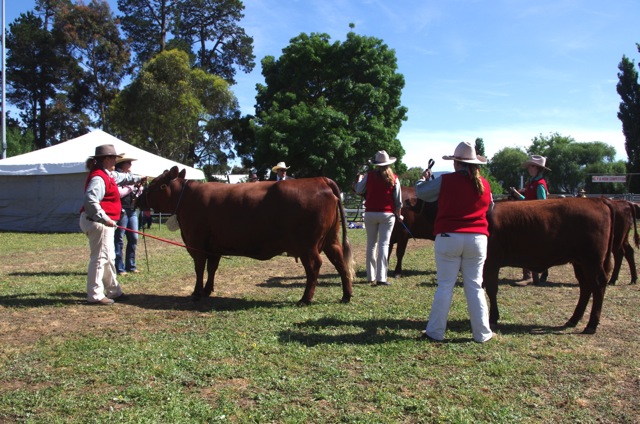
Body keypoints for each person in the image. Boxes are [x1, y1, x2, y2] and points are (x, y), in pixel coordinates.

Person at [414, 141, 493, 343]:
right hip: (477, 238)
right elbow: (489, 208)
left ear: (456, 163)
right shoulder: (485, 184)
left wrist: (422, 180)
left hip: (449, 237)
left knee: (445, 286)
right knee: (475, 286)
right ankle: (482, 333)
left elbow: (422, 192)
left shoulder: (446, 181)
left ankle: (435, 331)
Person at [79, 144, 144, 305]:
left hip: (103, 222)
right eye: (114, 157)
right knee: (100, 258)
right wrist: (103, 217)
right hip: (97, 222)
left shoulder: (107, 175)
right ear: (106, 159)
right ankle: (94, 295)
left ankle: (114, 291)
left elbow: (121, 178)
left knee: (109, 257)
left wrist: (138, 178)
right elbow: (90, 200)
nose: (116, 160)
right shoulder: (98, 177)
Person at [353, 150, 402, 286]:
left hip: (370, 213)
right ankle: (381, 278)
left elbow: (358, 190)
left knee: (371, 245)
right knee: (384, 245)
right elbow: (398, 200)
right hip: (387, 214)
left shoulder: (369, 176)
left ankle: (370, 276)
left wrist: (359, 180)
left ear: (376, 164)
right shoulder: (394, 178)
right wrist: (398, 214)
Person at [508, 154, 550, 286]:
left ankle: (530, 276)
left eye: (531, 166)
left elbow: (541, 204)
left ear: (537, 168)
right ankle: (533, 276)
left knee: (528, 247)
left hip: (534, 220)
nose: (528, 168)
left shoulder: (539, 185)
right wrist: (517, 194)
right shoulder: (532, 182)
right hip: (530, 218)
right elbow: (528, 201)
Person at [113, 155, 144, 275]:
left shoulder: (132, 177)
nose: (131, 164)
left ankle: (131, 265)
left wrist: (138, 188)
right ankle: (119, 267)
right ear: (122, 164)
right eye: (129, 162)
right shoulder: (116, 176)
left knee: (134, 238)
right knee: (119, 239)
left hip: (132, 210)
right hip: (121, 210)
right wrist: (132, 186)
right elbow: (119, 193)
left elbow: (136, 193)